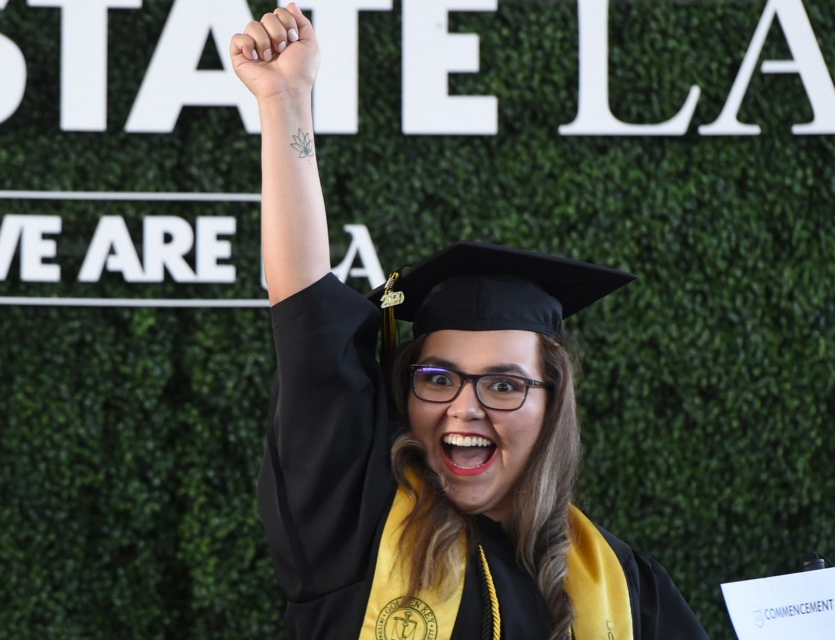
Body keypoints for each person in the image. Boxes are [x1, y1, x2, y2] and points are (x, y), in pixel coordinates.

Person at [231, 5, 709, 638]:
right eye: (438, 378)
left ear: (552, 401)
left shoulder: (626, 585)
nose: (465, 407)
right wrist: (285, 100)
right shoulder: (356, 524)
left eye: (504, 385)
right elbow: (307, 312)